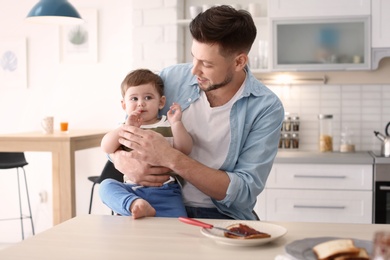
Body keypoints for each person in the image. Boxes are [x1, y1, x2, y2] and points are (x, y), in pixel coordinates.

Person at [110, 5, 284, 220]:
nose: (194, 70)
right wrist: (120, 159)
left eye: (207, 64)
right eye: (194, 57)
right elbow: (125, 131)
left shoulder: (265, 107)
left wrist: (171, 158)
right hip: (154, 203)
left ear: (239, 62)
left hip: (219, 215)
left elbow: (244, 192)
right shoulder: (172, 78)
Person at [99, 69, 193, 219]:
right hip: (132, 189)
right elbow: (106, 146)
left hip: (166, 191)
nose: (141, 104)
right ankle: (134, 205)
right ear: (124, 105)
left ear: (161, 102)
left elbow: (185, 149)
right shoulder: (124, 127)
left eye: (148, 98)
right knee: (106, 186)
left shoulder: (168, 124)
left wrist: (176, 124)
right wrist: (126, 128)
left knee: (179, 227)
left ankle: (138, 209)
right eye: (134, 99)